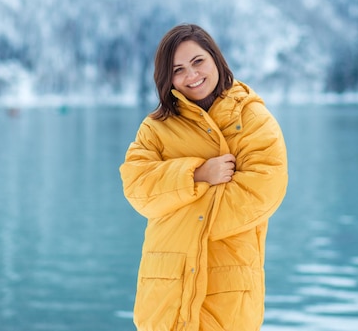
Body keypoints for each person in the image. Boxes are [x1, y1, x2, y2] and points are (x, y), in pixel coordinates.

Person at [119, 23, 288, 331]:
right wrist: (198, 174)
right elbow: (137, 187)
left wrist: (176, 205)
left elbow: (261, 193)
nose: (192, 75)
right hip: (165, 289)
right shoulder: (156, 128)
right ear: (166, 78)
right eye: (178, 69)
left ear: (215, 59)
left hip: (228, 289)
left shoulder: (252, 120)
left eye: (198, 62)